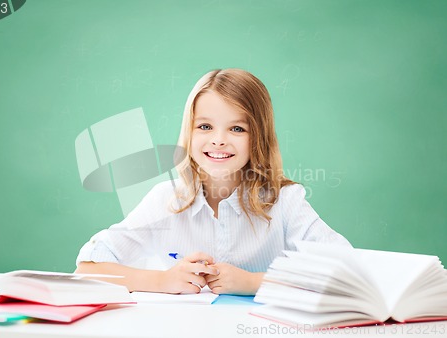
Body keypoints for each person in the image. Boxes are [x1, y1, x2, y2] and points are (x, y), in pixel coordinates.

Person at [75, 68, 351, 295]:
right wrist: (162, 281)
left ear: (259, 138)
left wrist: (254, 283)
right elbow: (87, 269)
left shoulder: (284, 201)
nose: (219, 139)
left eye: (237, 128)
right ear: (189, 131)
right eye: (205, 126)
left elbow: (347, 270)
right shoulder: (167, 199)